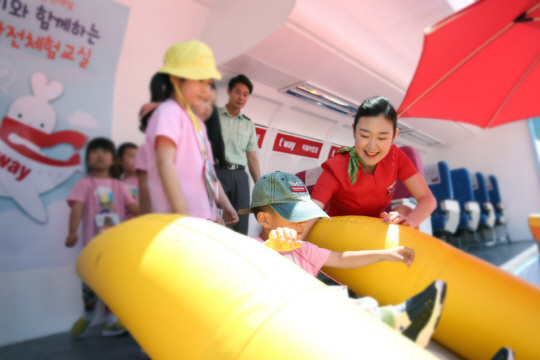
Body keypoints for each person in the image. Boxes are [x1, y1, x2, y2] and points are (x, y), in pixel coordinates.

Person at [239, 171, 446, 348]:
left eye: (305, 215)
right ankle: (399, 322)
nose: (303, 223)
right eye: (294, 216)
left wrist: (385, 254)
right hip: (281, 328)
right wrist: (271, 248)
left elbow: (342, 258)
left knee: (360, 305)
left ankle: (395, 325)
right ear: (264, 219)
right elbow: (240, 273)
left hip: (308, 323)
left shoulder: (302, 248)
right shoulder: (250, 247)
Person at [143, 40, 237, 225]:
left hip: (198, 215)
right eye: (200, 80)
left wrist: (220, 206)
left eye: (209, 82)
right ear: (176, 79)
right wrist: (182, 212)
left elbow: (208, 172)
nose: (206, 88)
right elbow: (165, 162)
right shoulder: (169, 112)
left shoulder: (198, 125)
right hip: (176, 216)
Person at [311, 96, 436, 228]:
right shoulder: (336, 167)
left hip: (375, 226)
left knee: (403, 211)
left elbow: (427, 198)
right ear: (354, 131)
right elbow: (310, 213)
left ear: (394, 136)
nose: (372, 146)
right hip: (341, 228)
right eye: (364, 136)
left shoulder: (396, 157)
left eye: (382, 138)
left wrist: (409, 221)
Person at [65, 137, 139, 338]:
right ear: (88, 158)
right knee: (90, 280)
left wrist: (155, 218)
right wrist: (72, 232)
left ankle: (110, 321)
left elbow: (135, 208)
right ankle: (88, 313)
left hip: (115, 246)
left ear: (113, 159)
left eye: (105, 151)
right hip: (92, 245)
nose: (100, 155)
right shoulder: (84, 184)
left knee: (111, 283)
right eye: (95, 151)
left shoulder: (119, 186)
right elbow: (77, 208)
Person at [217, 74, 261, 235]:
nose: (241, 97)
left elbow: (252, 158)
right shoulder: (213, 117)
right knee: (217, 219)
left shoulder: (248, 124)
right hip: (217, 172)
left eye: (245, 94)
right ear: (229, 91)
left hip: (240, 176)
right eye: (237, 92)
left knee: (241, 221)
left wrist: (260, 185)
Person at [116, 142, 139, 219]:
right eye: (131, 156)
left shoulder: (144, 182)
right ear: (119, 160)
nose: (136, 160)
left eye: (138, 157)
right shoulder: (116, 184)